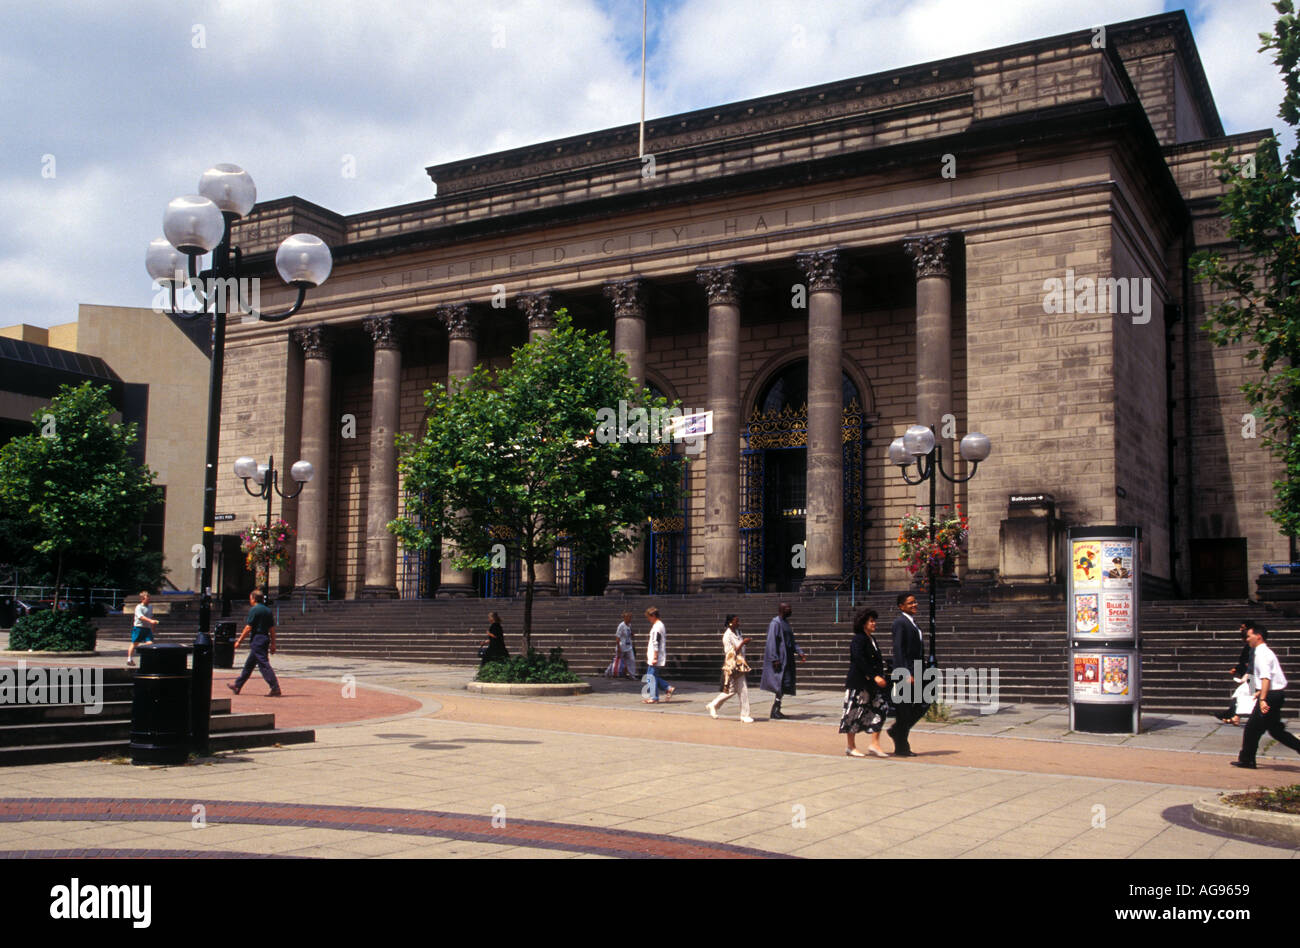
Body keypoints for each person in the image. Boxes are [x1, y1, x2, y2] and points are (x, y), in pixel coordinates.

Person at [1233, 624, 1300, 769]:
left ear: (1258, 636)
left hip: (1271, 696)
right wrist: (1258, 692)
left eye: (1249, 635)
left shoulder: (1262, 654)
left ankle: (1247, 760)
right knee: (1276, 730)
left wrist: (1262, 699)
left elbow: (1266, 678)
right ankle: (1247, 759)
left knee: (1252, 728)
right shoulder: (1260, 652)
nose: (1247, 638)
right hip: (1273, 693)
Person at [840, 608, 891, 758]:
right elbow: (858, 659)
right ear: (863, 623)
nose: (874, 623)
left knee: (881, 707)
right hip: (858, 682)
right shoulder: (859, 639)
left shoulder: (872, 639)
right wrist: (873, 675)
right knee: (853, 712)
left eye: (874, 620)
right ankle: (850, 746)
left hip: (872, 684)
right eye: (871, 621)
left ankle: (874, 743)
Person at [887, 591, 928, 756]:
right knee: (904, 708)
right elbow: (898, 649)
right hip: (907, 670)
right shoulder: (900, 622)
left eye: (915, 602)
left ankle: (897, 730)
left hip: (917, 668)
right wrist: (904, 672)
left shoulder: (913, 623)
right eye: (910, 603)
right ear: (901, 606)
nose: (914, 605)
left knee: (924, 702)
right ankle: (902, 747)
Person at [227, 590, 281, 697]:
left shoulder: (254, 610)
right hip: (265, 638)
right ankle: (238, 685)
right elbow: (272, 629)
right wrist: (273, 644)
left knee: (264, 665)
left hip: (257, 639)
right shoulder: (267, 611)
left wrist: (239, 641)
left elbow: (248, 627)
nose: (250, 600)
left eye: (250, 598)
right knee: (249, 664)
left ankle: (275, 687)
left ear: (253, 599)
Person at [760, 602, 807, 719]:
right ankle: (775, 710)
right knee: (779, 684)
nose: (790, 610)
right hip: (780, 659)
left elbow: (792, 641)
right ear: (781, 609)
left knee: (785, 684)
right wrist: (774, 659)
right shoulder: (775, 623)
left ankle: (777, 708)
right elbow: (771, 642)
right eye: (788, 608)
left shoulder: (786, 623)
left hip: (788, 659)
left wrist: (800, 652)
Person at [706, 614, 754, 722]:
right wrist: (743, 643)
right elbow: (730, 653)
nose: (739, 623)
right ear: (730, 623)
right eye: (737, 621)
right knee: (732, 690)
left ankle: (744, 714)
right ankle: (714, 704)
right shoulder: (727, 636)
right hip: (732, 666)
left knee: (742, 689)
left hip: (740, 665)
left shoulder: (738, 632)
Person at [1214, 621, 1254, 725]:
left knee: (1246, 694)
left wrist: (1244, 675)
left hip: (1252, 676)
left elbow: (1250, 664)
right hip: (1249, 675)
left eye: (1243, 628)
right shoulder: (1251, 647)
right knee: (1243, 694)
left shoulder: (1255, 649)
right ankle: (1234, 716)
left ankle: (1233, 715)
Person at [643, 606, 674, 703]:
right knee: (653, 675)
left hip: (655, 655)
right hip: (655, 654)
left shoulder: (657, 627)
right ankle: (667, 688)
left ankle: (654, 697)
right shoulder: (659, 625)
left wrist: (655, 656)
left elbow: (656, 642)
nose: (648, 619)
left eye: (649, 617)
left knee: (650, 676)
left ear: (653, 615)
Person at [126, 591, 159, 667]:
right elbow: (141, 617)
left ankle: (149, 660)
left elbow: (151, 617)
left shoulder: (150, 607)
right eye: (147, 599)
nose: (149, 600)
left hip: (147, 628)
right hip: (139, 627)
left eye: (149, 598)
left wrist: (152, 625)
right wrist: (150, 621)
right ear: (142, 599)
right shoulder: (139, 607)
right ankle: (129, 659)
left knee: (150, 643)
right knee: (135, 643)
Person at [615, 612, 637, 679]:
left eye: (630, 617)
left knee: (631, 660)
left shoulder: (629, 625)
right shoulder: (621, 625)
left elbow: (629, 633)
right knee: (619, 660)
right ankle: (615, 672)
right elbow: (617, 637)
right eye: (628, 617)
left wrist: (632, 634)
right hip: (622, 646)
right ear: (625, 618)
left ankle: (632, 675)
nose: (630, 619)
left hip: (629, 646)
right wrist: (618, 648)